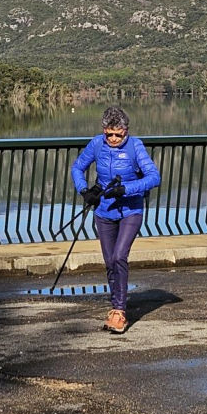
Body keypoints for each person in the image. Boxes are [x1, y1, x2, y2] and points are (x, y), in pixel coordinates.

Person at [70, 105, 161, 334]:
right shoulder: (96, 144)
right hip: (104, 212)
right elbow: (77, 168)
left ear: (125, 131)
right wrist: (85, 191)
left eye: (117, 135)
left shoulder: (135, 146)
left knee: (120, 256)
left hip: (131, 211)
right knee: (110, 261)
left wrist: (126, 189)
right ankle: (115, 307)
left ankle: (120, 312)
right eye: (108, 134)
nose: (112, 139)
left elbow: (154, 177)